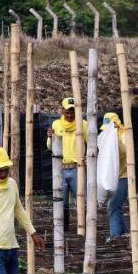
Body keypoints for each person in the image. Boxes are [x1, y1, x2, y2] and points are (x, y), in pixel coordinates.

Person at [45, 98, 87, 231]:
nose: (70, 115)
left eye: (72, 112)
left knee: (82, 200)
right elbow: (50, 147)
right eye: (67, 112)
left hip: (77, 169)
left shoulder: (83, 124)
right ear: (62, 110)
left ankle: (84, 228)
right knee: (61, 202)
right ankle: (64, 230)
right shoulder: (56, 124)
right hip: (61, 169)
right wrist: (50, 137)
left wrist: (88, 157)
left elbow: (92, 145)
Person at [101, 112, 128, 241]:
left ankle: (116, 235)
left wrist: (114, 141)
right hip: (114, 177)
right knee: (115, 206)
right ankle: (124, 233)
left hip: (123, 177)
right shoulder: (109, 139)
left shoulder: (124, 136)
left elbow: (123, 152)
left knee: (113, 206)